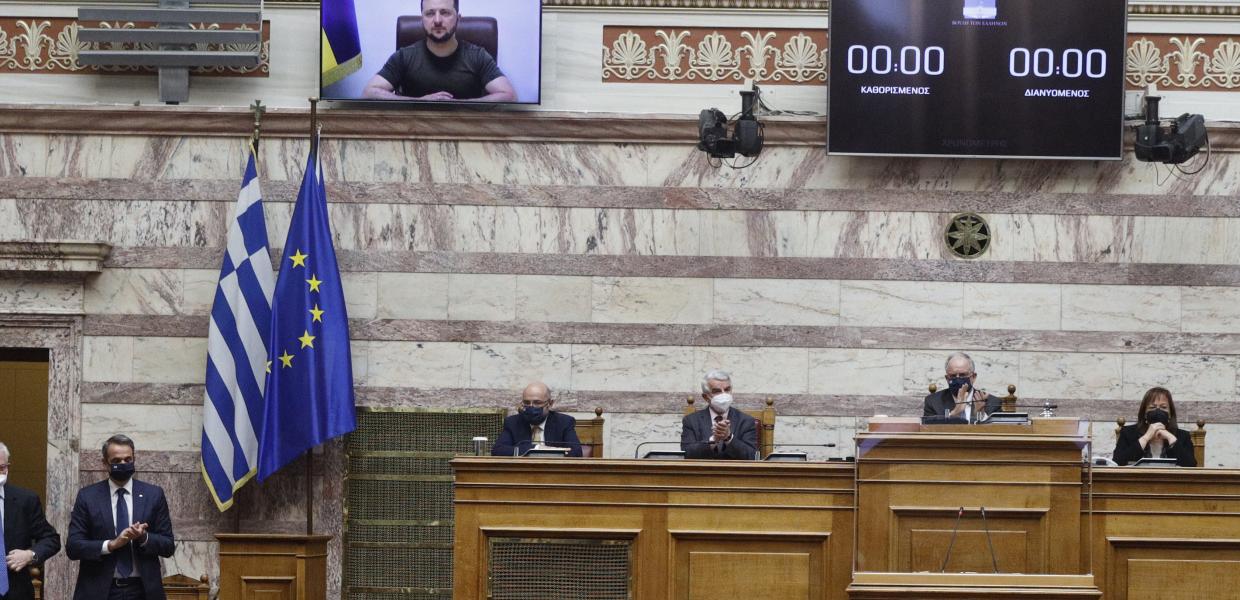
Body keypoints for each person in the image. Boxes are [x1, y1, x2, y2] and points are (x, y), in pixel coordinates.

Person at [66, 435, 175, 600]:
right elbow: (73, 547)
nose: (123, 464)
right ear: (105, 463)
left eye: (128, 459)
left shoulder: (153, 495)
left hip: (143, 591)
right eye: (116, 460)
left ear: (134, 459)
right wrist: (111, 545)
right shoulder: (88, 497)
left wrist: (143, 537)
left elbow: (168, 546)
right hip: (100, 591)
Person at [363, 0, 517, 102]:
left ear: (458, 18)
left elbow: (509, 96)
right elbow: (369, 92)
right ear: (422, 19)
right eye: (430, 13)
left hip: (466, 132)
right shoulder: (404, 56)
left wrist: (460, 105)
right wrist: (420, 102)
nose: (437, 20)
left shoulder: (478, 56)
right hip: (415, 132)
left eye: (445, 12)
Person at [1, 442, 62, 600]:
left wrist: (30, 555)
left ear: (7, 467)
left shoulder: (25, 500)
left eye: (1, 468)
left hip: (15, 591)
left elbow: (51, 539)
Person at [681, 370, 758, 460]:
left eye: (727, 390)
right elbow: (687, 454)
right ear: (706, 397)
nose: (723, 394)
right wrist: (713, 440)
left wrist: (729, 438)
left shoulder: (746, 421)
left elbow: (751, 456)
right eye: (717, 391)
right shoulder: (691, 421)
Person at [492, 382, 583, 457]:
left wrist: (548, 453)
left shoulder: (564, 422)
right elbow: (498, 450)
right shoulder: (512, 422)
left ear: (550, 404)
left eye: (537, 403)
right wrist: (536, 448)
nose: (531, 407)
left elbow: (576, 452)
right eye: (526, 402)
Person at [1113, 387, 1197, 467]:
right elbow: (1117, 463)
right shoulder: (1128, 433)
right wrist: (1146, 437)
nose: (1158, 411)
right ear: (1144, 413)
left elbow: (1191, 466)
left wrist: (1170, 438)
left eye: (1163, 407)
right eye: (1152, 407)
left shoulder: (1183, 436)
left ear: (1170, 414)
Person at [923, 352, 1002, 423]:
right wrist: (954, 413)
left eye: (963, 375)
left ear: (973, 377)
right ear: (947, 378)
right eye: (953, 376)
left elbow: (1000, 431)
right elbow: (929, 431)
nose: (958, 379)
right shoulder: (933, 402)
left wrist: (981, 416)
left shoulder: (992, 403)